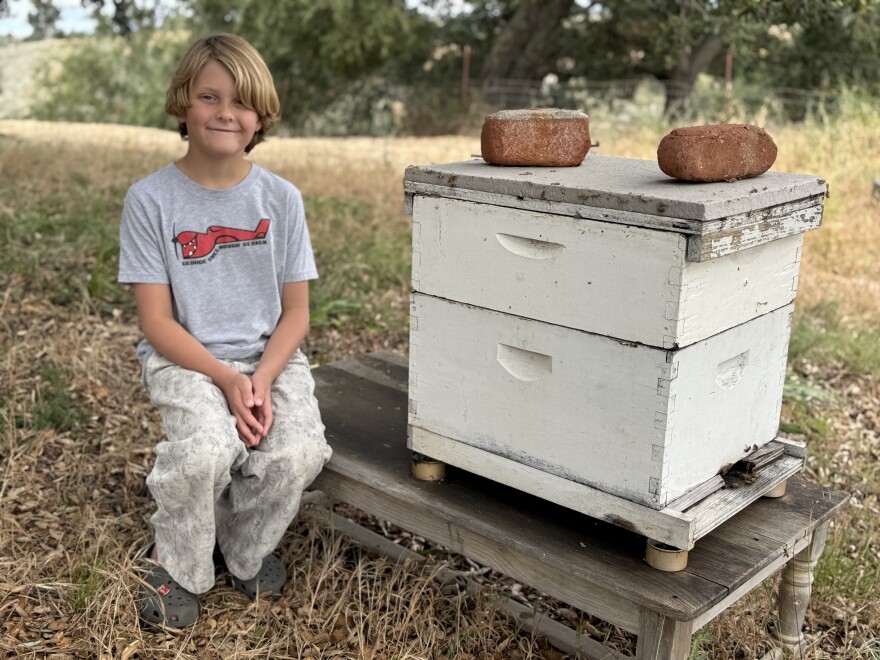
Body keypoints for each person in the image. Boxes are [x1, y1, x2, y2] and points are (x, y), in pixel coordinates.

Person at [117, 33, 332, 628]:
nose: (224, 113)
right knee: (207, 451)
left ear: (260, 116)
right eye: (209, 96)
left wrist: (259, 378)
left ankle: (241, 549)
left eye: (241, 102)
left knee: (298, 452)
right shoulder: (151, 201)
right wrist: (224, 381)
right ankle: (176, 565)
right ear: (183, 102)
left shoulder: (281, 200)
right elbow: (156, 322)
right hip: (185, 358)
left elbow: (297, 314)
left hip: (269, 356)